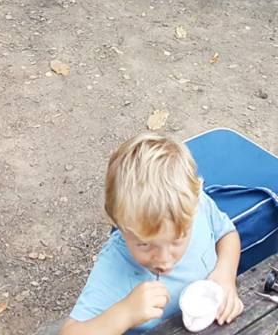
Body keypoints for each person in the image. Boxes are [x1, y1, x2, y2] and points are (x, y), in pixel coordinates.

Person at [61, 132, 244, 335]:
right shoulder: (115, 264)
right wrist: (124, 314)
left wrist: (226, 275)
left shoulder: (194, 206)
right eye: (145, 245)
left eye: (177, 241)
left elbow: (227, 234)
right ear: (119, 224)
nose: (165, 261)